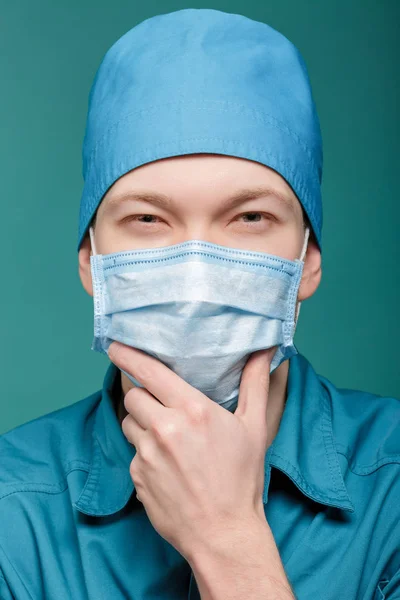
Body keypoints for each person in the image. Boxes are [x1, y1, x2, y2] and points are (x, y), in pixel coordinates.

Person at [0, 8, 399, 600]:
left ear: (307, 259)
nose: (196, 277)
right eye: (147, 218)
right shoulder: (13, 508)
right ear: (91, 261)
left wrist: (227, 539)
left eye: (250, 217)